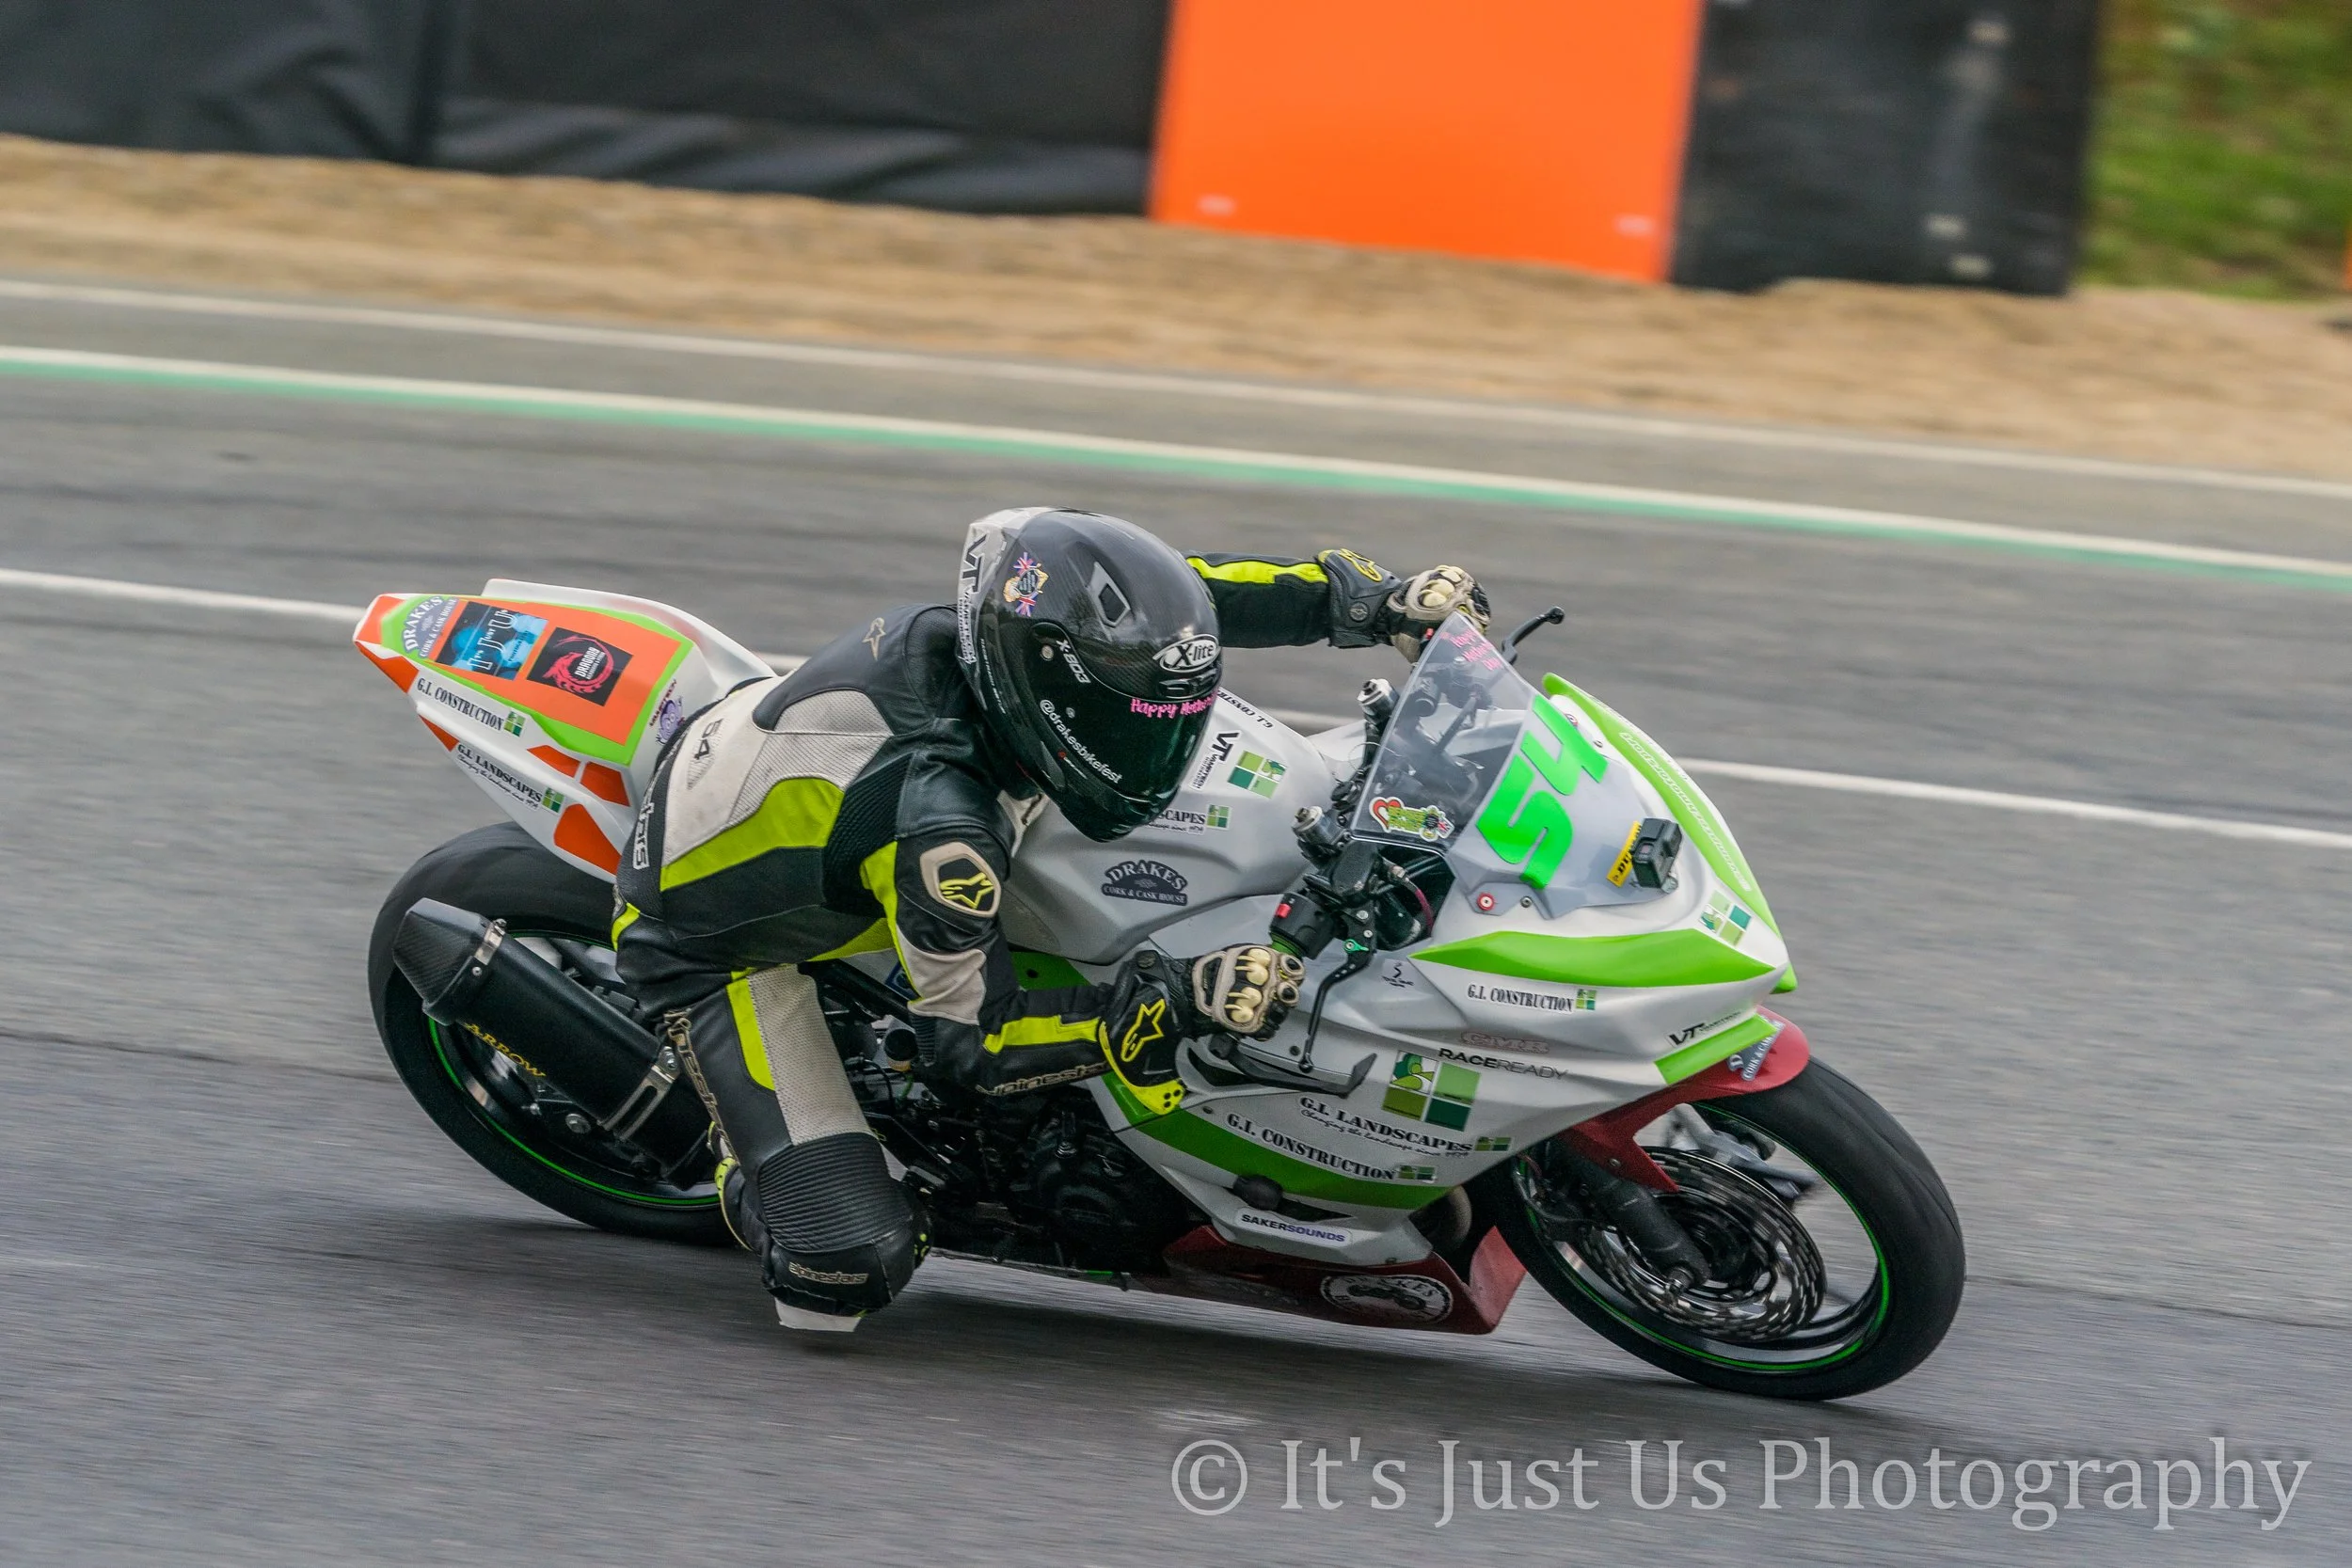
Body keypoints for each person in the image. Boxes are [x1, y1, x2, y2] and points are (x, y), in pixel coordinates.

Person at [612, 507, 1486, 1328]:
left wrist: (1377, 603)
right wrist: (1170, 999)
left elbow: (1189, 606)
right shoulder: (945, 833)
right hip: (712, 946)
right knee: (848, 1266)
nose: (1157, 747)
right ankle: (736, 1156)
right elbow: (973, 1044)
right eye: (1126, 722)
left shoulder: (1027, 627)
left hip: (791, 784)